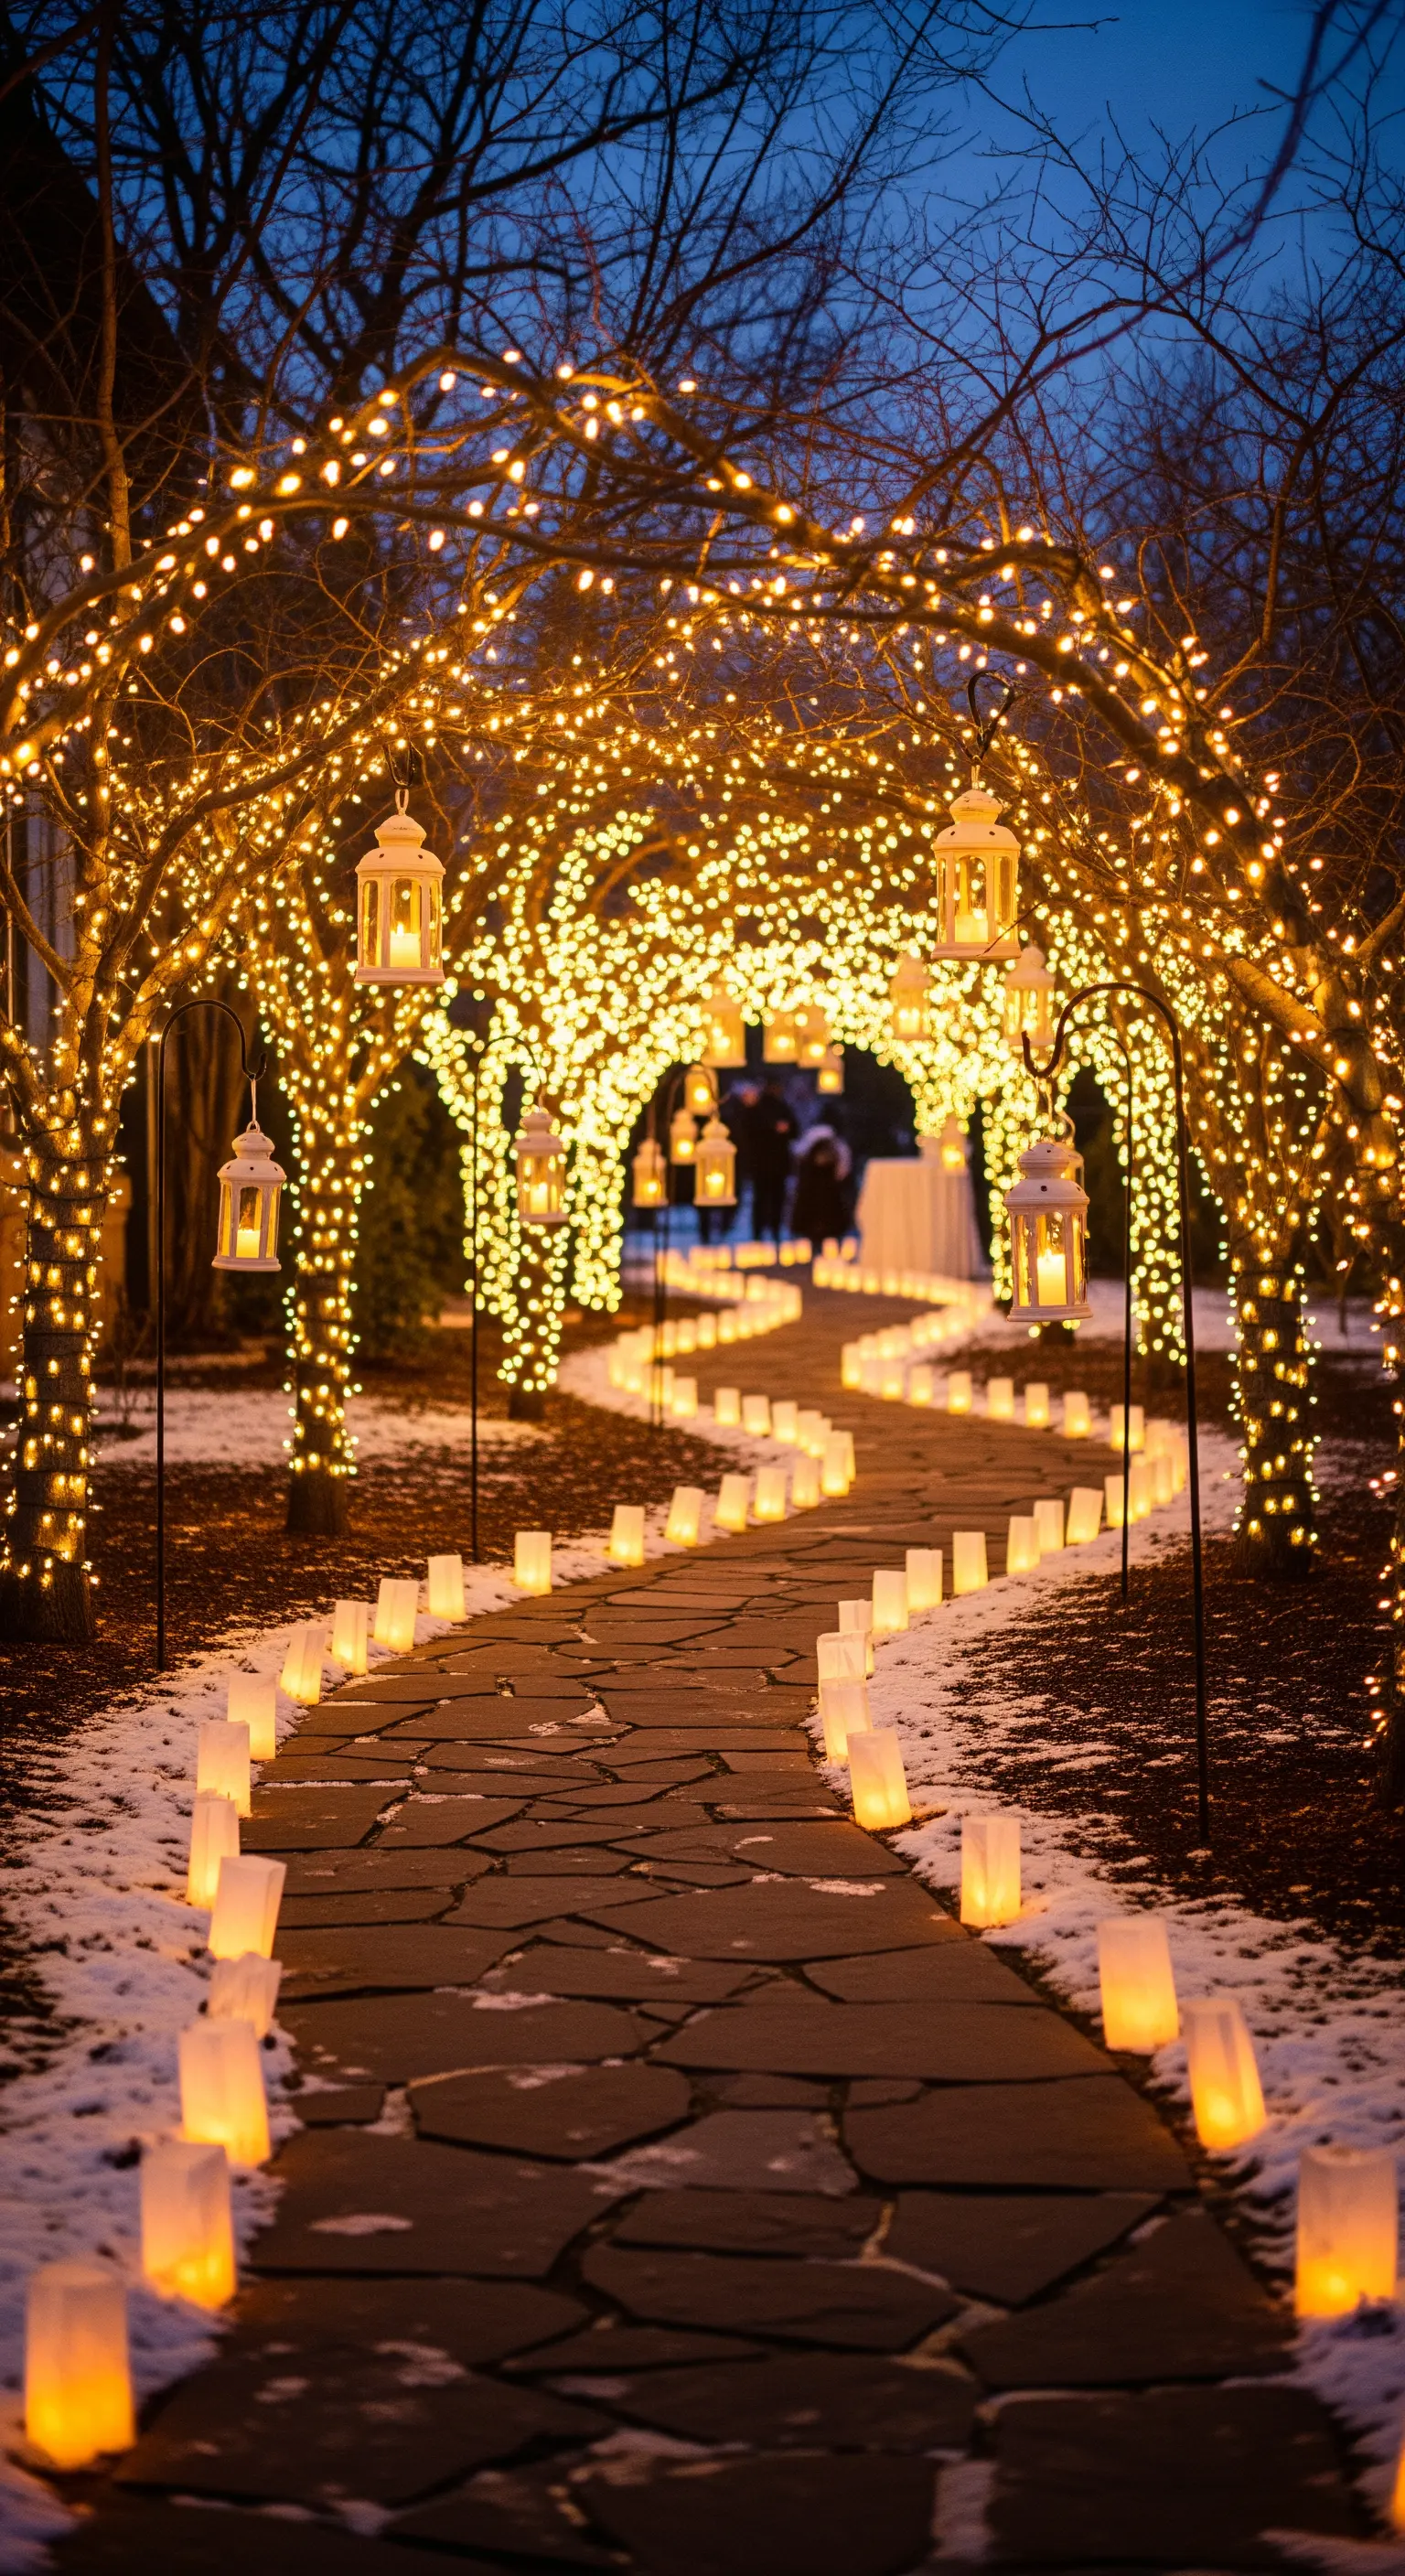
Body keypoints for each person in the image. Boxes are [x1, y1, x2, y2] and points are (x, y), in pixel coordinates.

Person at [751, 1078, 799, 1241]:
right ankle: (766, 1231)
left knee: (767, 1198)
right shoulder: (766, 1109)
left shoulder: (777, 1108)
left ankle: (766, 1231)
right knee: (769, 1198)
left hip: (769, 1163)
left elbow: (794, 1130)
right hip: (769, 1162)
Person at [791, 1123, 853, 1246]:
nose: (823, 1158)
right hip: (814, 1194)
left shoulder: (837, 1150)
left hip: (829, 1194)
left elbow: (843, 1169)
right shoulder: (808, 1185)